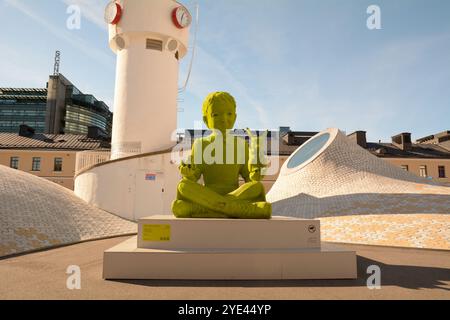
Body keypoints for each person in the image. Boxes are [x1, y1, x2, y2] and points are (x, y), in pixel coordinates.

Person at [172, 91, 272, 219]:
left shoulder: (241, 144)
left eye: (229, 114)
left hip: (236, 194)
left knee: (256, 187)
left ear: (235, 117)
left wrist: (256, 173)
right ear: (206, 120)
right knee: (183, 185)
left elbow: (250, 179)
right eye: (216, 115)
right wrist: (188, 172)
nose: (224, 119)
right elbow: (193, 177)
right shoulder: (200, 144)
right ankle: (234, 209)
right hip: (207, 195)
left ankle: (207, 210)